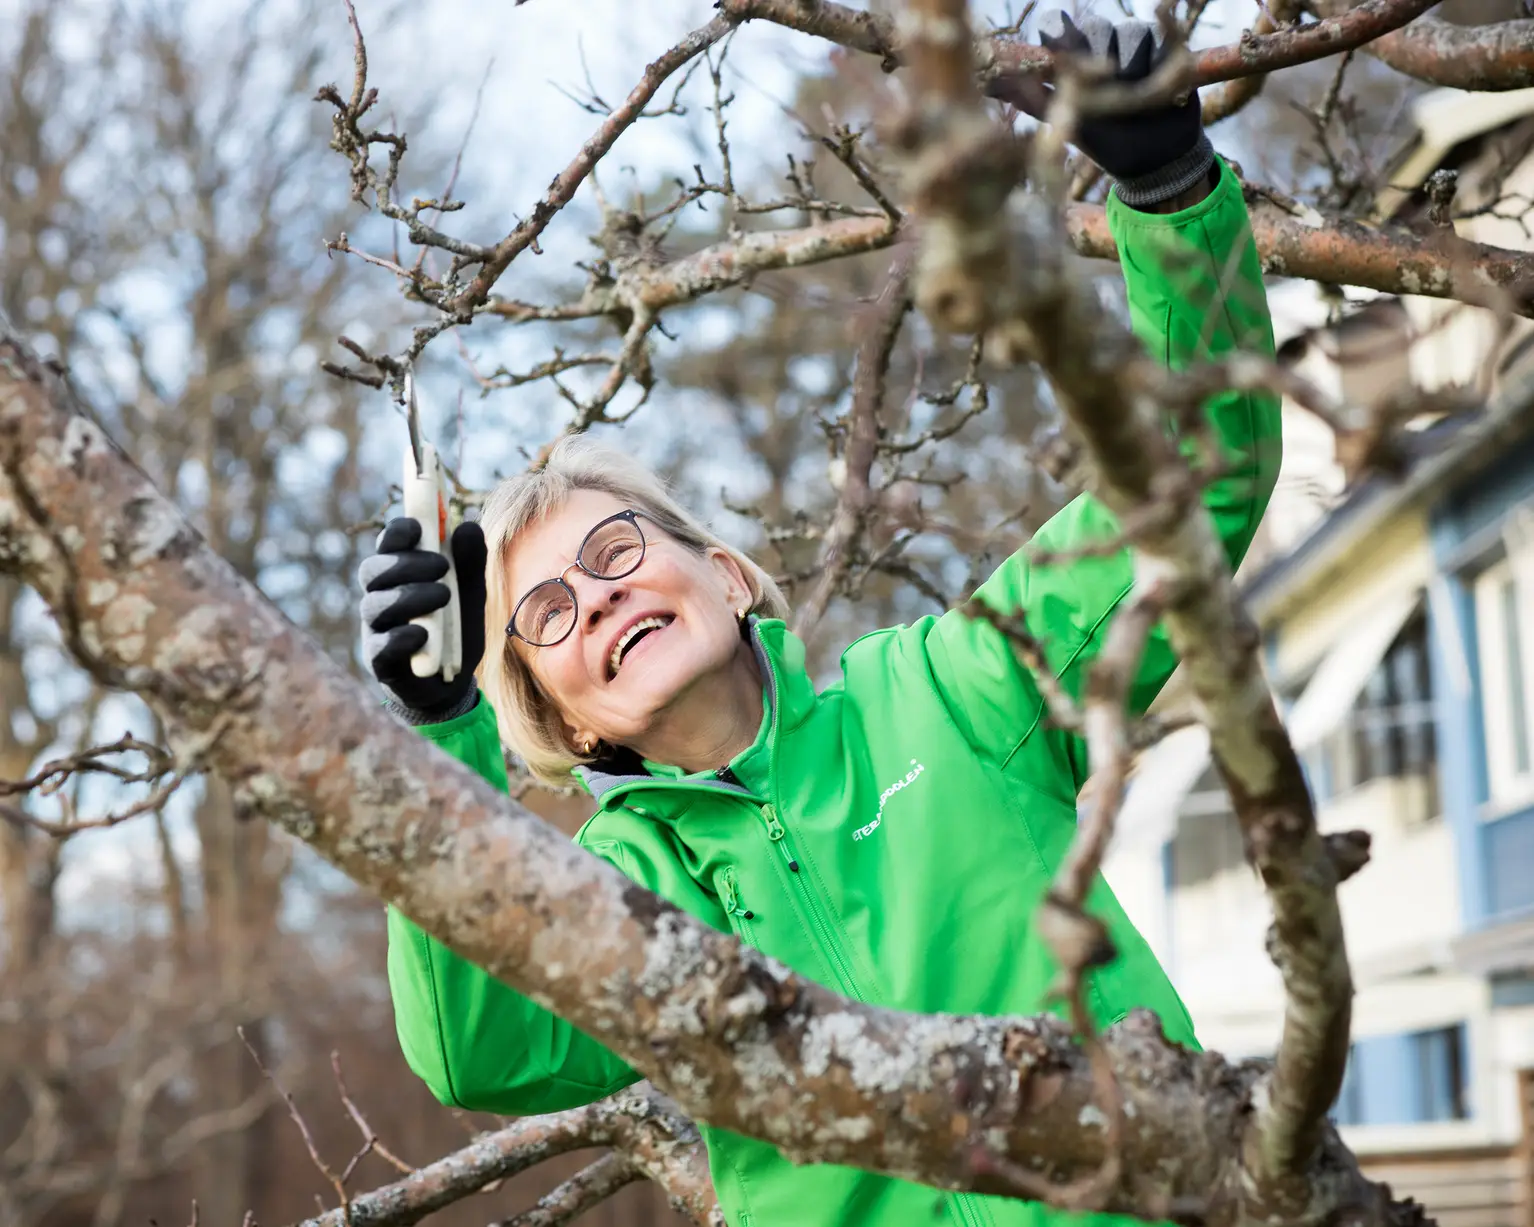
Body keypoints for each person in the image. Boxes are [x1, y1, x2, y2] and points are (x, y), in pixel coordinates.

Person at [358, 16, 1281, 1227]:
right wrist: (436, 729)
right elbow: (473, 1051)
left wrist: (1170, 195)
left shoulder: (958, 692)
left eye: (617, 550)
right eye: (550, 611)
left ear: (729, 576)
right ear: (563, 722)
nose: (601, 598)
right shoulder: (611, 900)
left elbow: (1189, 481)